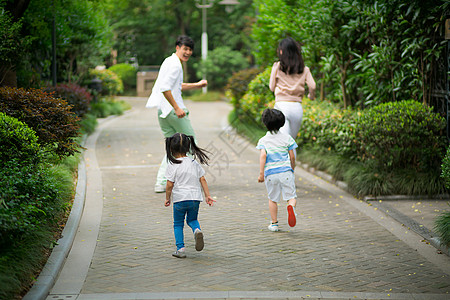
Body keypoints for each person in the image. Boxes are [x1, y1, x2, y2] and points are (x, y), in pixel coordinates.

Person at [146, 35, 207, 193]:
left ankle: (161, 182)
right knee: (191, 144)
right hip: (173, 112)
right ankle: (192, 179)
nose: (187, 52)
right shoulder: (176, 65)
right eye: (185, 48)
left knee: (172, 148)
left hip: (163, 112)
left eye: (190, 50)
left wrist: (197, 85)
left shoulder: (169, 61)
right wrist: (177, 108)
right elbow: (165, 88)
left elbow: (176, 86)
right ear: (177, 47)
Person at [164, 133, 216, 258]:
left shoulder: (173, 164)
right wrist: (208, 196)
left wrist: (167, 198)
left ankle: (180, 249)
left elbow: (169, 184)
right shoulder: (194, 163)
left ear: (171, 148)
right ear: (188, 148)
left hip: (180, 199)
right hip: (195, 199)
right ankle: (197, 230)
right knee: (192, 220)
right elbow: (203, 179)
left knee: (178, 224)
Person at [269, 37, 316, 146]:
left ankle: (285, 163)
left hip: (281, 107)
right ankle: (292, 163)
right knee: (291, 142)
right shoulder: (304, 69)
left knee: (284, 142)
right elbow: (312, 86)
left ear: (282, 51)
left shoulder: (277, 67)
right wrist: (311, 96)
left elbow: (271, 87)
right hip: (296, 108)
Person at [257, 108, 298, 232]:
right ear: (282, 122)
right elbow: (292, 156)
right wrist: (292, 168)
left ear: (265, 124)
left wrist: (261, 174)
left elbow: (263, 156)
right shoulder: (287, 138)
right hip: (285, 172)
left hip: (271, 174)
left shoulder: (263, 140)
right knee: (291, 196)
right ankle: (291, 207)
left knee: (273, 199)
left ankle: (274, 224)